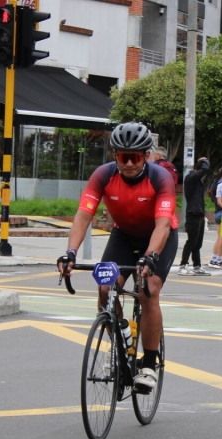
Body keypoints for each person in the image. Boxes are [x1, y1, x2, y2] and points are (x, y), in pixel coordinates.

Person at [58, 122, 177, 392]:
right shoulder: (102, 175)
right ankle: (122, 340)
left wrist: (150, 257)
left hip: (158, 238)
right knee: (104, 288)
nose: (129, 163)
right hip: (123, 236)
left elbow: (162, 224)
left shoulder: (161, 178)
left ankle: (148, 363)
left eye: (135, 157)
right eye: (124, 157)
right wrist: (71, 252)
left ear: (147, 155)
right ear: (115, 156)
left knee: (149, 290)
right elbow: (84, 214)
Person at [178, 157, 211, 275]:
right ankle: (183, 265)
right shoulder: (191, 177)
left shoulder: (197, 180)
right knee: (191, 241)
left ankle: (197, 266)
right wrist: (205, 160)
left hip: (199, 214)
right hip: (193, 214)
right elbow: (205, 169)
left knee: (198, 243)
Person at [207, 167, 222, 268]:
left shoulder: (215, 182)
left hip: (217, 211)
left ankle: (214, 259)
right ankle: (219, 261)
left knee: (219, 238)